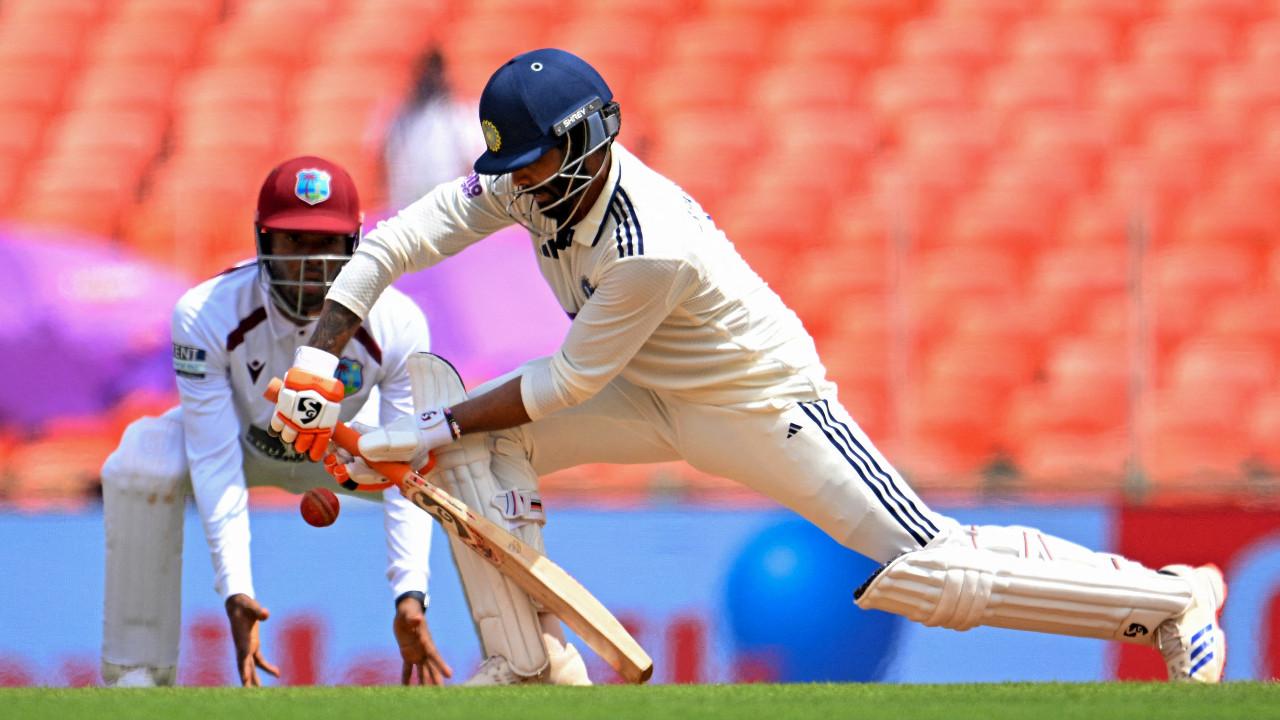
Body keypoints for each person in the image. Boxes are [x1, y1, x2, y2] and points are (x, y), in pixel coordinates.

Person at [269, 49, 1226, 684]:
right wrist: (318, 356)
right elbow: (400, 241)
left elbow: (567, 384)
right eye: (507, 168)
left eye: (528, 166)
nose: (511, 184)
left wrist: (419, 433)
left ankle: (1174, 602)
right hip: (648, 393)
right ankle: (529, 669)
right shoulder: (531, 183)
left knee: (928, 568)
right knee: (484, 458)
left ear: (583, 145)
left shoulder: (652, 240)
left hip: (758, 403)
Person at [101, 156, 451, 687]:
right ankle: (136, 672)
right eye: (293, 242)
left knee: (461, 462)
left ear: (357, 245)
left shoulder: (398, 320)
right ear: (263, 241)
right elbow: (215, 460)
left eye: (327, 245)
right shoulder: (205, 313)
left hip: (348, 451)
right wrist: (236, 589)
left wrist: (411, 594)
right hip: (246, 443)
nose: (312, 265)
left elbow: (405, 468)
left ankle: (515, 659)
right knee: (140, 460)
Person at [384, 47, 485, 212]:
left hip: (449, 200)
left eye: (434, 70)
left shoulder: (460, 112)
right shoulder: (401, 114)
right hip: (408, 200)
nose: (429, 77)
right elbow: (387, 157)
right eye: (425, 70)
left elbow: (474, 160)